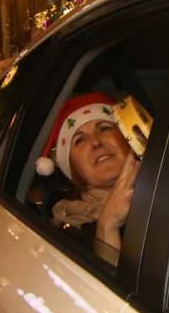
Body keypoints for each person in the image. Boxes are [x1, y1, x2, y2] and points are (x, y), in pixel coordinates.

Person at [35, 93, 139, 262]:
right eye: (80, 140)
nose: (96, 142)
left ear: (127, 138)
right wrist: (107, 226)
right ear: (72, 168)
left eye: (104, 128)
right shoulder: (68, 232)